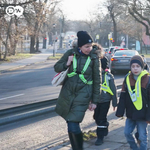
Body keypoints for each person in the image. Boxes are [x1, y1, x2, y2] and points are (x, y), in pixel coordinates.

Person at [54, 31, 101, 150]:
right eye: (86, 46)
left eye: (90, 46)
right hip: (67, 94)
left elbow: (97, 81)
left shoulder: (94, 58)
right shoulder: (70, 53)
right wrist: (67, 63)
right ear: (79, 46)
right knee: (70, 123)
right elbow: (56, 67)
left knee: (73, 123)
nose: (89, 49)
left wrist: (94, 101)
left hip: (83, 95)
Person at [116, 55, 150, 150]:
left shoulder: (147, 79)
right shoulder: (127, 78)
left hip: (143, 114)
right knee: (127, 133)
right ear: (130, 67)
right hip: (130, 113)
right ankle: (134, 148)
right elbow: (123, 96)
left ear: (142, 67)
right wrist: (120, 111)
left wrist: (148, 116)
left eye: (137, 66)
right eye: (133, 66)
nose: (135, 68)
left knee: (143, 137)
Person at [93, 56, 118, 146]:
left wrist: (115, 103)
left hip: (105, 101)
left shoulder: (108, 76)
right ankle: (105, 125)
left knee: (101, 118)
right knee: (96, 117)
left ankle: (100, 137)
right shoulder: (94, 76)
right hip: (96, 101)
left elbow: (114, 90)